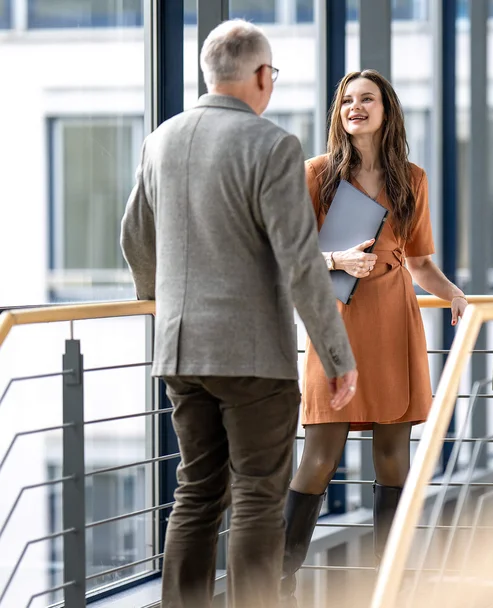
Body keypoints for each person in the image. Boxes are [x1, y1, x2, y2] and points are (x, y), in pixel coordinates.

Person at [120, 19, 358, 608]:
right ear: (258, 75)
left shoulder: (162, 139)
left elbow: (134, 238)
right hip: (252, 357)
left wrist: (161, 296)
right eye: (271, 75)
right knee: (256, 495)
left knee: (196, 491)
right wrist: (335, 356)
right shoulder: (272, 145)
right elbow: (301, 262)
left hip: (179, 349)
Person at [279, 69, 467, 604]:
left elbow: (423, 262)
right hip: (334, 321)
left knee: (393, 452)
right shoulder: (316, 174)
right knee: (320, 449)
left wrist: (453, 294)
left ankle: (391, 581)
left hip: (393, 317)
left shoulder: (413, 178)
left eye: (367, 99)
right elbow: (288, 255)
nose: (355, 107)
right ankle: (279, 579)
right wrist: (337, 258)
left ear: (387, 110)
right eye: (347, 100)